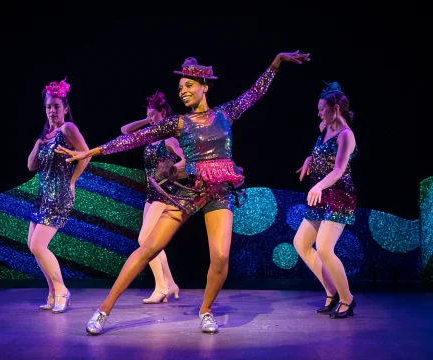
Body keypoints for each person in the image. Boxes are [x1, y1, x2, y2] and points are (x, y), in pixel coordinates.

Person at [55, 50, 310, 334]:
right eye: (180, 88)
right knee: (149, 248)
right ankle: (103, 310)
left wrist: (275, 62)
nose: (183, 91)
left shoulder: (226, 113)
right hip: (188, 191)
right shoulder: (178, 123)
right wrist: (93, 151)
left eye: (188, 85)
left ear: (204, 86)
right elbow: (135, 137)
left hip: (219, 190)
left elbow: (255, 92)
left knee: (221, 257)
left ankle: (206, 310)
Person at [293, 81, 357, 319]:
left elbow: (339, 168)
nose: (319, 113)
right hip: (321, 194)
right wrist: (310, 159)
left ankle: (347, 299)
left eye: (322, 109)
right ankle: (331, 292)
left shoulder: (346, 135)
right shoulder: (325, 128)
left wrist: (319, 185)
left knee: (325, 248)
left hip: (339, 195)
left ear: (336, 109)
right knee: (301, 243)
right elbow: (323, 152)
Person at [27, 78, 89, 313]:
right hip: (42, 196)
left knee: (39, 245)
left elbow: (86, 154)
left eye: (56, 106)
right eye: (48, 107)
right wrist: (38, 143)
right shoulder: (48, 135)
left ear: (64, 109)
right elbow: (31, 166)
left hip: (59, 195)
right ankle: (52, 292)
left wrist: (73, 181)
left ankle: (62, 290)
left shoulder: (67, 129)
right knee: (32, 246)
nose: (52, 111)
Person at [120, 90, 184, 304]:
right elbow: (124, 130)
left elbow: (185, 160)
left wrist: (173, 169)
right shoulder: (150, 138)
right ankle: (171, 283)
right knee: (153, 241)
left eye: (153, 114)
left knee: (145, 240)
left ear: (163, 113)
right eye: (148, 114)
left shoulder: (169, 139)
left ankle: (161, 287)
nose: (150, 119)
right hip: (151, 193)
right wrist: (147, 120)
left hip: (165, 194)